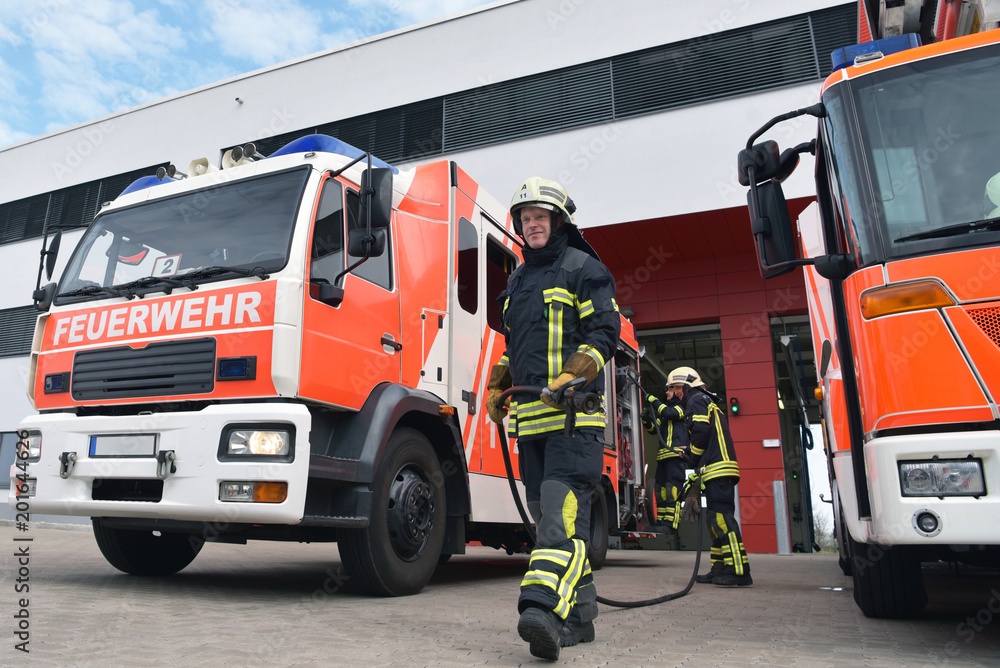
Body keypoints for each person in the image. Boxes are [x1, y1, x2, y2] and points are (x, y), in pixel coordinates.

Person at [485, 176, 621, 661]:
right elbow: (514, 347)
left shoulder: (585, 269)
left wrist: (572, 375)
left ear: (559, 221)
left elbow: (605, 334)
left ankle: (541, 608)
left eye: (540, 216)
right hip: (531, 427)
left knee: (557, 524)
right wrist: (498, 384)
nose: (532, 224)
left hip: (573, 424)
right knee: (553, 522)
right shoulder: (517, 281)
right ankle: (580, 618)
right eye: (525, 218)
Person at [667, 366, 752, 587]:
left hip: (718, 469)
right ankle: (720, 568)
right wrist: (690, 453)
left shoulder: (696, 400)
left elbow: (701, 433)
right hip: (716, 469)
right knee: (714, 520)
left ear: (687, 386)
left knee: (722, 519)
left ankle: (739, 570)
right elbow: (705, 435)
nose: (674, 393)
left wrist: (691, 458)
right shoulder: (705, 402)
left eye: (676, 388)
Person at [642, 385, 690, 533]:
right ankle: (661, 522)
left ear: (676, 392)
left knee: (672, 491)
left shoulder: (682, 406)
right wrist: (646, 419)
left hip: (676, 456)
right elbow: (654, 429)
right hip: (663, 457)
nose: (667, 393)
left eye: (669, 390)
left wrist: (654, 401)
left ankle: (671, 525)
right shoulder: (665, 411)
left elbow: (670, 413)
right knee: (659, 491)